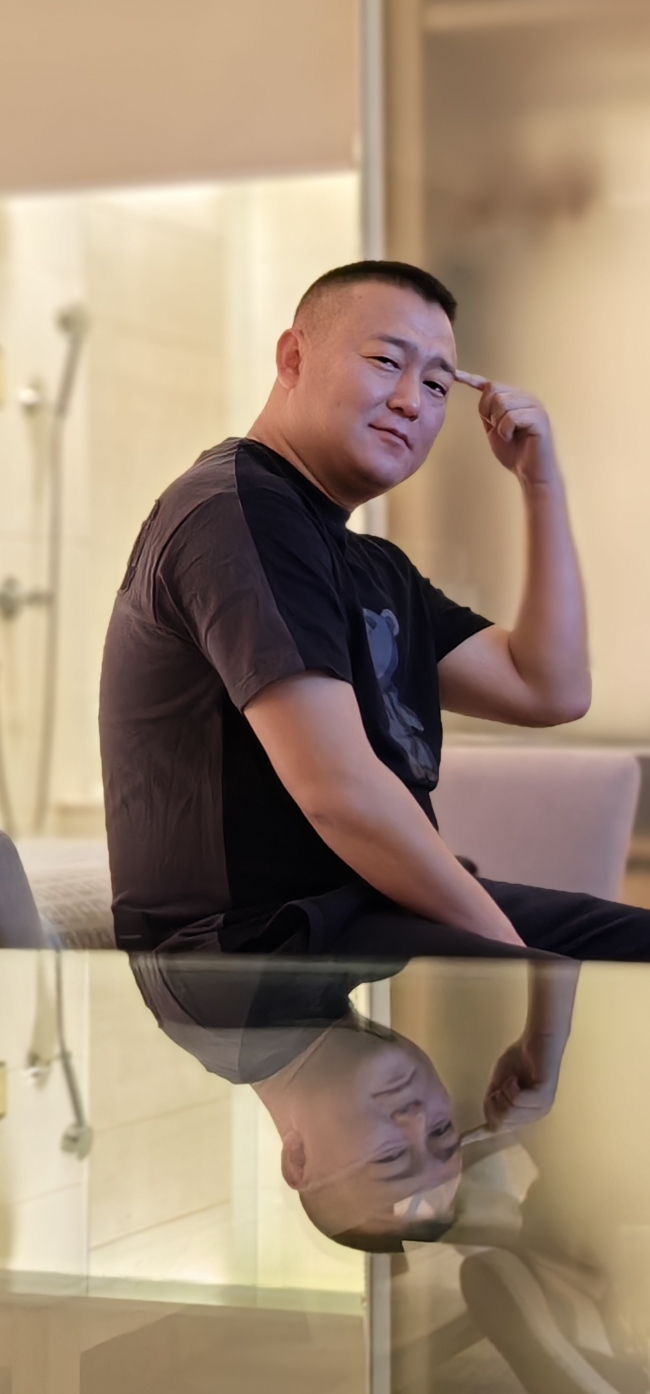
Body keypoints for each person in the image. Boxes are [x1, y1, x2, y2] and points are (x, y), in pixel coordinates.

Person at [99, 259, 650, 960]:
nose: (412, 401)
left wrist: (540, 483)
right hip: (253, 945)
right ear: (293, 358)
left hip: (364, 912)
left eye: (437, 384)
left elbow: (550, 688)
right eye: (387, 361)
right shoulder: (236, 511)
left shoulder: (369, 564)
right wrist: (523, 970)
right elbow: (338, 792)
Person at [130, 947, 578, 1252]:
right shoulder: (244, 1027)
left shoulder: (238, 1003)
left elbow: (557, 889)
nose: (416, 1119)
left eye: (390, 1156)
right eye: (442, 1132)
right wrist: (542, 1038)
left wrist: (547, 1035)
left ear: (299, 1157)